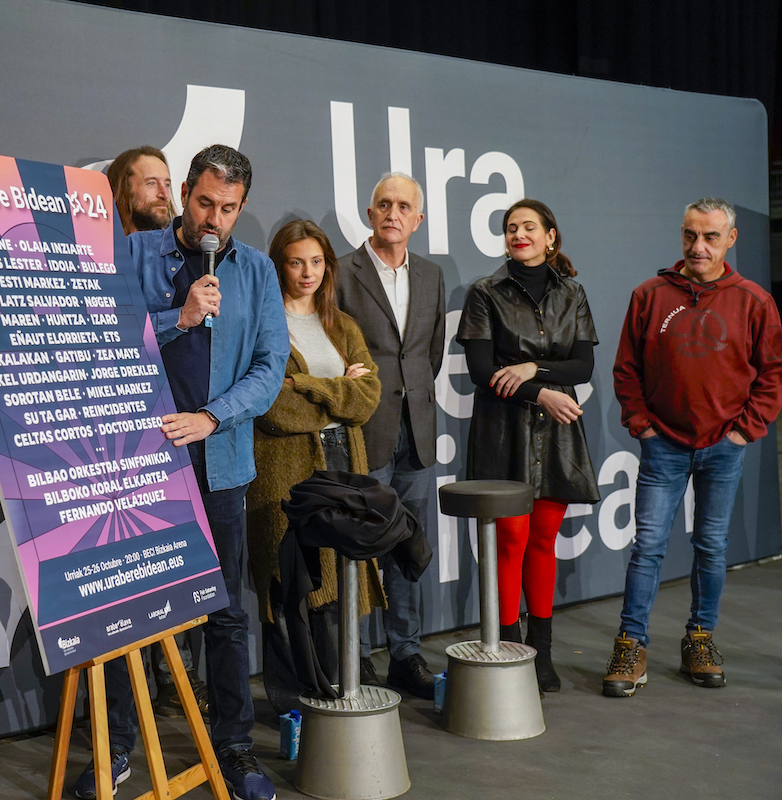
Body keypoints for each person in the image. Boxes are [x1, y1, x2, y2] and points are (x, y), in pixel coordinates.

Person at [73, 145, 287, 800]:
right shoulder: (134, 253)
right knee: (128, 615)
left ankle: (233, 749)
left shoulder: (256, 271)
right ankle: (115, 749)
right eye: (204, 203)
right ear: (185, 192)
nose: (213, 219)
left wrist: (212, 418)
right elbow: (100, 340)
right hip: (139, 464)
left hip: (219, 462)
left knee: (224, 613)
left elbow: (269, 367)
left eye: (228, 209)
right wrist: (179, 317)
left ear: (241, 208)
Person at [603, 197, 782, 697]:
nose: (698, 246)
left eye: (709, 236)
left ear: (730, 239)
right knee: (648, 546)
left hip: (725, 446)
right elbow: (626, 369)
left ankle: (699, 639)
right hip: (663, 444)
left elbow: (772, 374)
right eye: (690, 235)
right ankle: (631, 644)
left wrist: (744, 431)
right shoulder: (649, 295)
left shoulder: (754, 302)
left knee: (712, 545)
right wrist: (642, 426)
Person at [456, 199, 600, 692]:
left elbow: (583, 367)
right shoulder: (485, 292)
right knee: (511, 540)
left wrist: (532, 368)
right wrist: (541, 392)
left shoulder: (573, 293)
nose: (519, 234)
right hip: (503, 430)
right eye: (511, 228)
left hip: (557, 432)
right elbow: (482, 372)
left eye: (529, 227)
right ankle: (509, 647)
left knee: (543, 540)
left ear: (550, 236)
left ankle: (542, 651)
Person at [248, 219, 383, 711]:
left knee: (337, 584)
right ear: (278, 266)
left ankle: (338, 695)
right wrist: (338, 391)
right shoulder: (261, 325)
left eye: (317, 262)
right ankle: (294, 706)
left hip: (344, 464)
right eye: (295, 262)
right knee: (290, 589)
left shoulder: (341, 325)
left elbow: (367, 398)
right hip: (283, 473)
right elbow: (273, 409)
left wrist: (305, 385)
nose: (308, 273)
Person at [335, 172, 444, 699]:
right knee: (360, 544)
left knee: (408, 546)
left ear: (418, 219)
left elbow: (429, 354)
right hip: (365, 430)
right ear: (370, 213)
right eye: (384, 204)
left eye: (403, 206)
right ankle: (355, 656)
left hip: (417, 432)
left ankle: (406, 653)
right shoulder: (341, 272)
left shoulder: (431, 274)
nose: (392, 214)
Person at [106, 146, 205, 718]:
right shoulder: (107, 254)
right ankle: (128, 703)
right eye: (151, 183)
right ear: (123, 188)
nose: (164, 193)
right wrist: (177, 318)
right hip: (120, 438)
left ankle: (177, 677)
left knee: (176, 567)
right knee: (129, 576)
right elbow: (110, 331)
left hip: (179, 430)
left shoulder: (186, 258)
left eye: (169, 182)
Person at [108, 145, 176, 236]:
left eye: (166, 184)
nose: (165, 195)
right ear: (124, 188)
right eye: (151, 183)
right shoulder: (99, 241)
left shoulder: (173, 242)